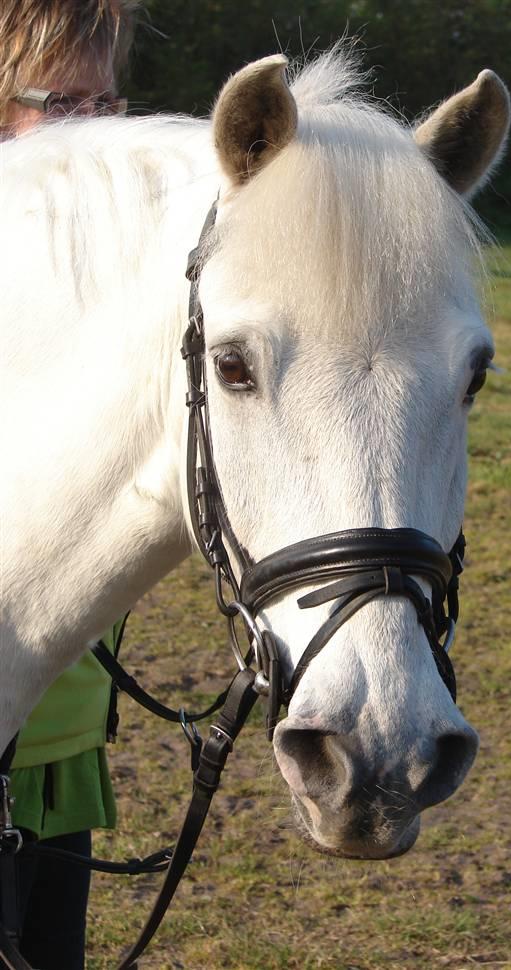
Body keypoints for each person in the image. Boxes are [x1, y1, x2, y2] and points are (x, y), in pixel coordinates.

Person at [0, 4, 138, 966]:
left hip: (62, 732)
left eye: (109, 104)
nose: (94, 133)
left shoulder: (110, 275)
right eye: (65, 104)